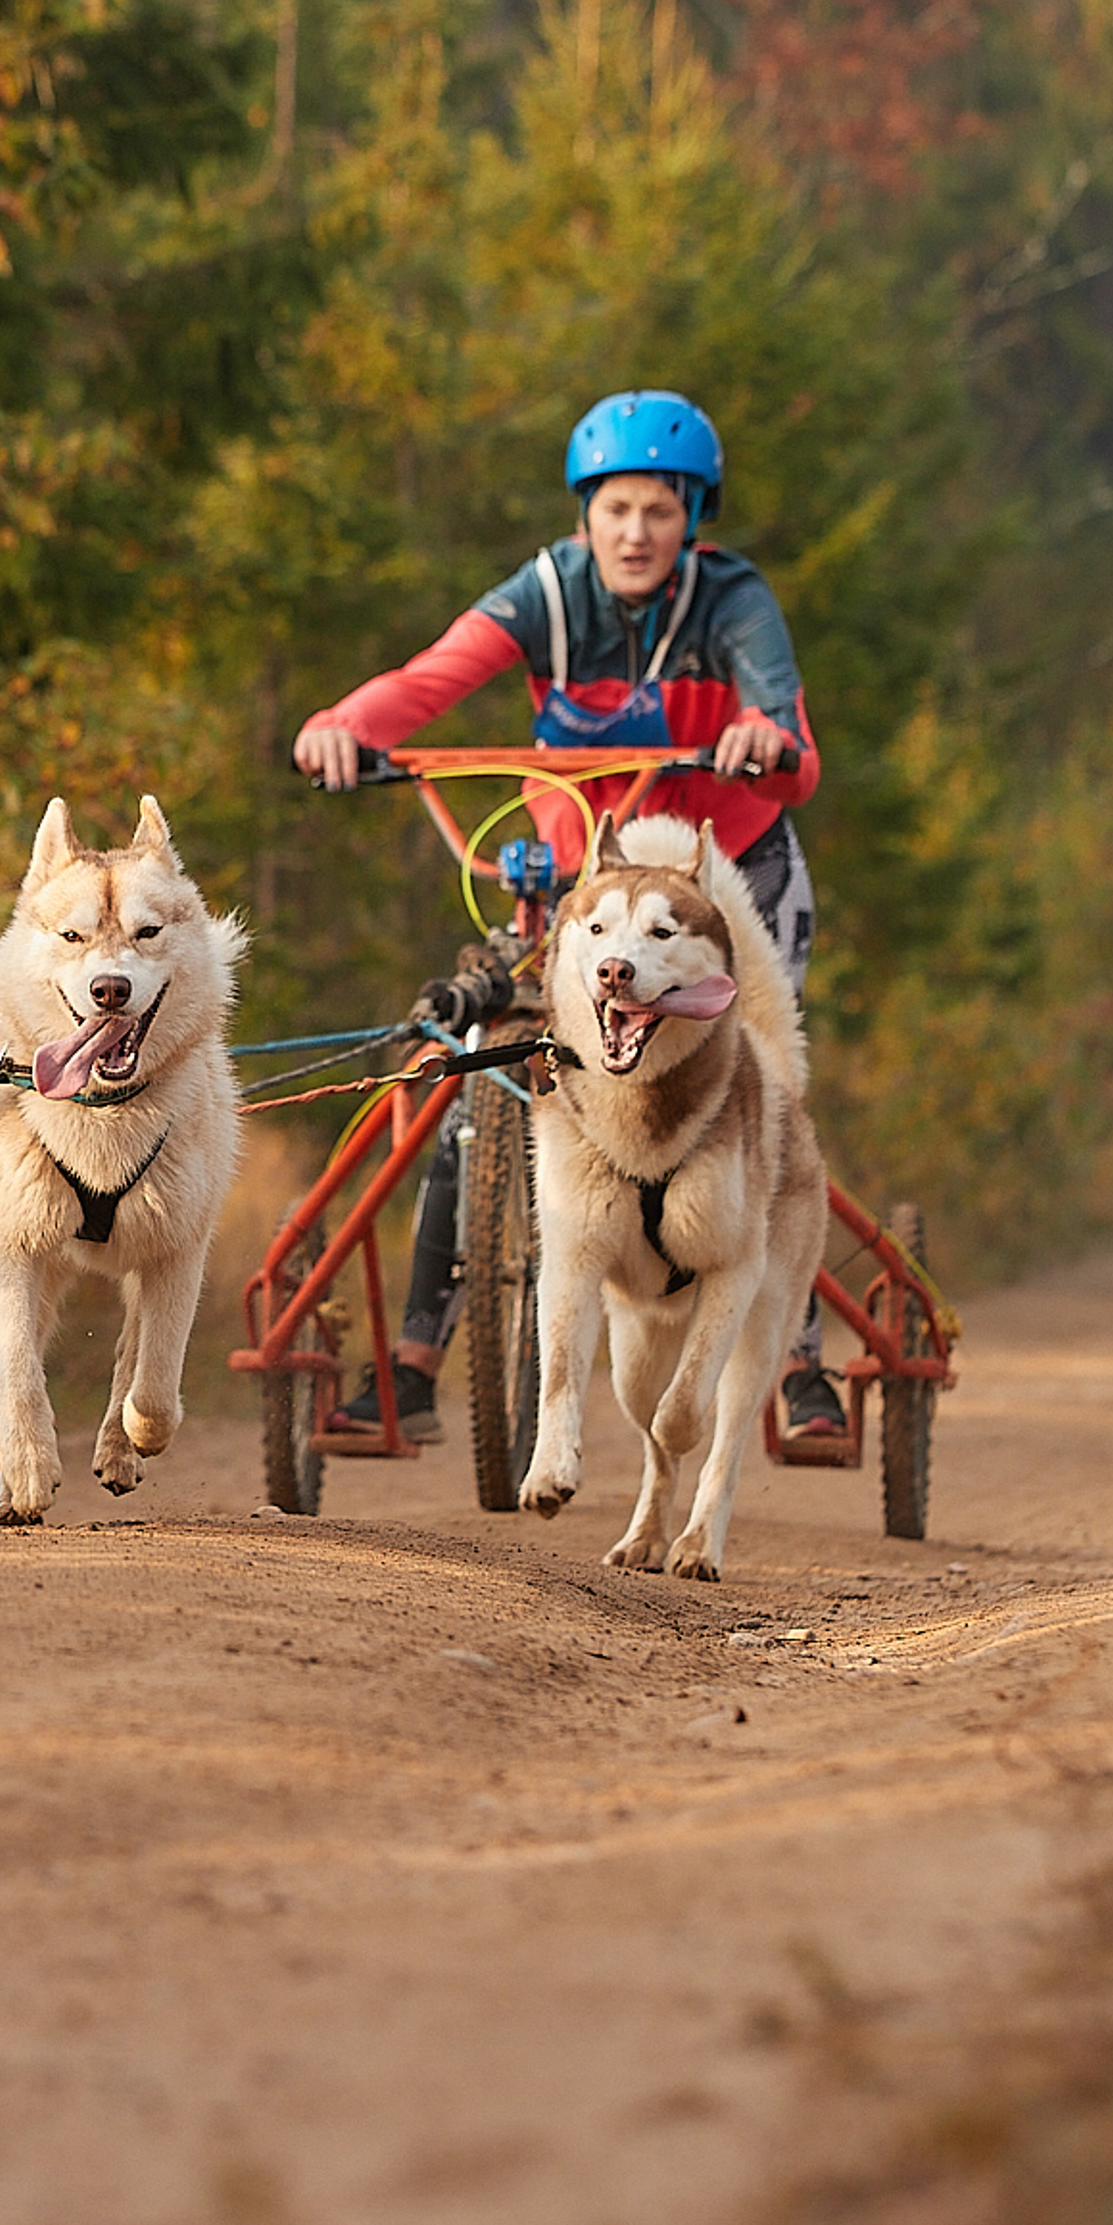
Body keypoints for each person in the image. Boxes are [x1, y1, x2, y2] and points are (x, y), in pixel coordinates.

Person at [289, 388, 846, 1446]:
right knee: (475, 1070)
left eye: (659, 512)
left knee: (760, 1092)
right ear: (583, 515)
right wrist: (341, 726)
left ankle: (801, 1360)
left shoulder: (729, 601)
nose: (634, 533)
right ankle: (412, 1361)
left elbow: (782, 717)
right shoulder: (546, 595)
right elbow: (428, 680)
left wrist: (763, 736)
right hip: (583, 895)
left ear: (692, 520)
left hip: (726, 883)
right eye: (614, 510)